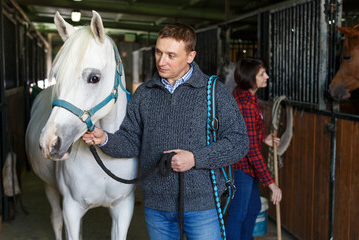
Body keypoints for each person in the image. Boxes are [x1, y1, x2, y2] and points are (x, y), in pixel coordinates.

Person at [82, 23, 249, 240]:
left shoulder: (213, 91)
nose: (161, 61)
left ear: (191, 56)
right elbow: (131, 141)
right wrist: (104, 139)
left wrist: (195, 158)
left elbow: (239, 142)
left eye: (171, 55)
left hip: (202, 205)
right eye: (158, 52)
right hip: (156, 205)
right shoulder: (144, 93)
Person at [225, 58, 282, 240]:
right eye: (261, 74)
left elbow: (247, 133)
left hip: (247, 166)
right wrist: (271, 184)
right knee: (238, 214)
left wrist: (263, 138)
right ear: (250, 77)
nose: (266, 77)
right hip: (241, 166)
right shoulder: (246, 104)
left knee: (252, 208)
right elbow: (250, 149)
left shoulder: (248, 96)